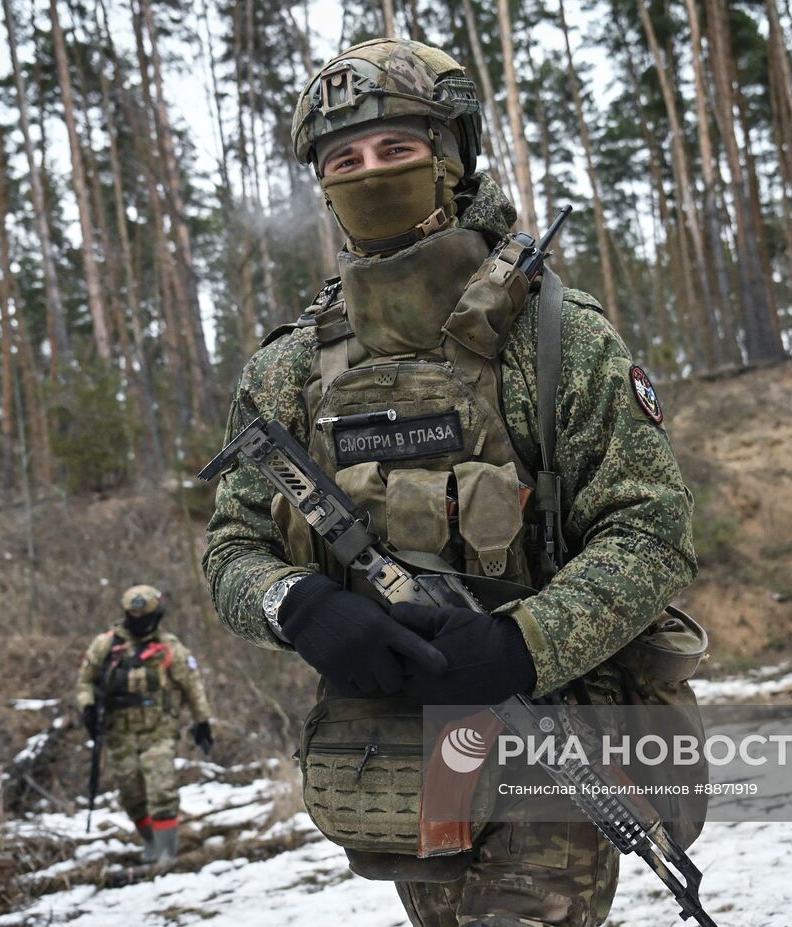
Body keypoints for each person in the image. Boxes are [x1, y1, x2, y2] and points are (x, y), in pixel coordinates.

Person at [201, 37, 697, 926]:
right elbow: (233, 546)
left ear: (453, 156)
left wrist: (522, 643)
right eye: (343, 158)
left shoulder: (554, 335)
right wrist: (300, 606)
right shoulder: (289, 369)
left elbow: (651, 530)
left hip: (553, 732)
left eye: (398, 148)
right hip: (396, 755)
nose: (370, 172)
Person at [75, 584, 214, 865]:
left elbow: (192, 686)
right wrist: (87, 707)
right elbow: (85, 681)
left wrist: (203, 722)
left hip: (159, 731)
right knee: (131, 796)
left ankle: (167, 853)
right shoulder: (106, 645)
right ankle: (150, 843)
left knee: (162, 791)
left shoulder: (169, 648)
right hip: (119, 733)